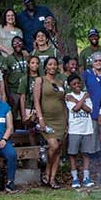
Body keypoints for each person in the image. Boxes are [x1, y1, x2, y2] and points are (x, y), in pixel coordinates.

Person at [34, 56, 68, 187]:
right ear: (45, 66)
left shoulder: (60, 82)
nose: (52, 67)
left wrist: (67, 122)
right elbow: (36, 100)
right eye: (50, 64)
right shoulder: (40, 80)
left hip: (61, 119)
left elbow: (63, 102)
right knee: (53, 146)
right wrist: (40, 118)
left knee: (58, 149)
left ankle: (52, 178)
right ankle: (47, 171)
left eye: (55, 64)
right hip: (47, 119)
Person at [64, 74, 96, 188]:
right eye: (74, 84)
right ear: (70, 86)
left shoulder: (85, 95)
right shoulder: (68, 96)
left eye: (78, 83)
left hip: (87, 129)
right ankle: (75, 178)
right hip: (74, 129)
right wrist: (82, 99)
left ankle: (86, 177)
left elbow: (89, 110)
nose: (77, 85)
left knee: (86, 153)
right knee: (73, 154)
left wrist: (78, 100)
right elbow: (75, 109)